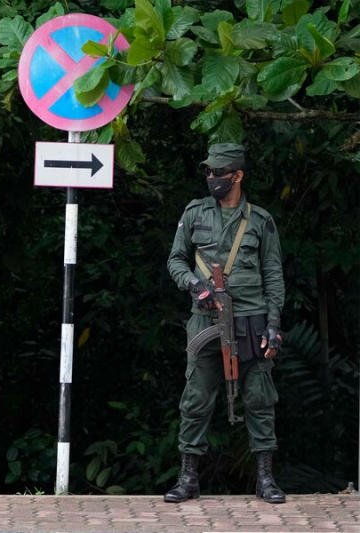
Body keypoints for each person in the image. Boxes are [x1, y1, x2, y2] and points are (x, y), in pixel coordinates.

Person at [164, 143, 286, 504]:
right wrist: (193, 285)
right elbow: (176, 260)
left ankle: (265, 479)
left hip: (251, 321)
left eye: (219, 172)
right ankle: (188, 479)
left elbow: (274, 275)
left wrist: (273, 324)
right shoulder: (195, 213)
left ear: (238, 175)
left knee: (260, 399)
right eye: (209, 172)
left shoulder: (260, 221)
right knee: (196, 400)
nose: (212, 178)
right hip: (205, 322)